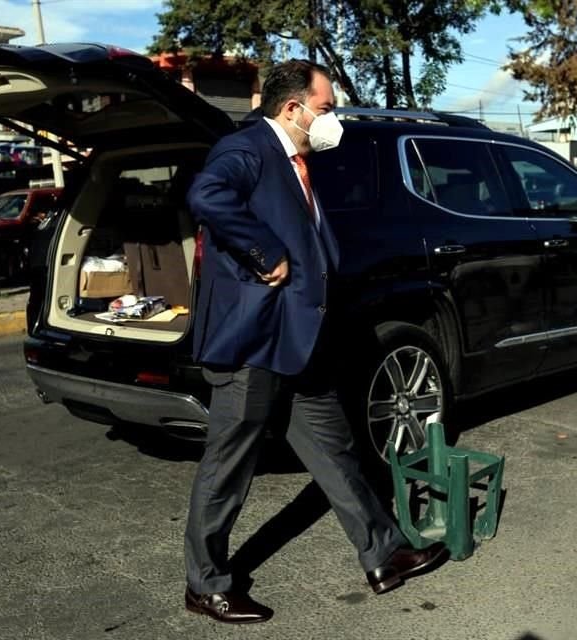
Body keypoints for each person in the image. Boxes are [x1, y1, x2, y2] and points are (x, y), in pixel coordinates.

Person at [183, 59, 448, 625]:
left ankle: (385, 552)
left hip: (301, 341)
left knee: (335, 452)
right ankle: (205, 583)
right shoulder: (248, 149)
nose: (332, 119)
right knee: (230, 466)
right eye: (326, 108)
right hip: (256, 342)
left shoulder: (295, 158)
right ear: (292, 108)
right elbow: (207, 195)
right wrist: (265, 253)